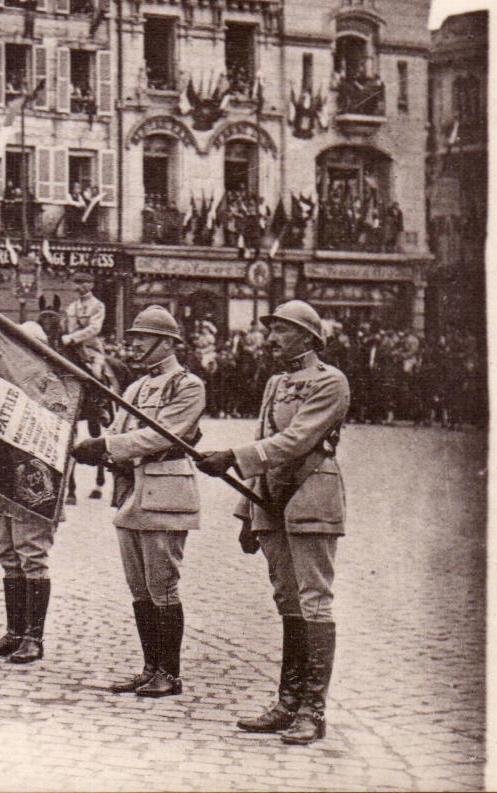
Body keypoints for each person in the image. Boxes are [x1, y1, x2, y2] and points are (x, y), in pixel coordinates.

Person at [198, 300, 348, 746]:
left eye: (281, 330)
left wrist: (233, 457)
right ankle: (287, 703)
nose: (272, 338)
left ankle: (313, 711)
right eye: (272, 330)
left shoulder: (331, 381)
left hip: (311, 495)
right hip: (270, 501)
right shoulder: (276, 383)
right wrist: (247, 514)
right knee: (288, 600)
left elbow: (297, 440)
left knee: (314, 600)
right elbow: (264, 438)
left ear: (308, 337)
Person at [71, 306, 205, 698]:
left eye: (144, 338)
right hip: (132, 492)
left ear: (167, 343)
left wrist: (105, 446)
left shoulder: (187, 385)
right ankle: (150, 668)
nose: (136, 344)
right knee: (139, 587)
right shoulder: (135, 387)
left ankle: (170, 673)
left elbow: (161, 436)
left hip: (166, 491)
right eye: (135, 338)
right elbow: (119, 429)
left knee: (162, 585)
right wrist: (101, 449)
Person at [0, 320, 61, 664]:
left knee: (32, 557)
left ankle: (33, 638)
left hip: (35, 487)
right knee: (9, 557)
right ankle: (14, 632)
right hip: (3, 482)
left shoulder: (53, 386)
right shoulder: (3, 384)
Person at [62, 269, 107, 382]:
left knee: (96, 375)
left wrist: (72, 338)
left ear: (91, 285)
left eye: (82, 283)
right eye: (76, 283)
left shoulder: (97, 305)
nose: (78, 286)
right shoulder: (72, 306)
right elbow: (64, 326)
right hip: (69, 348)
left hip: (89, 349)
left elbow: (94, 328)